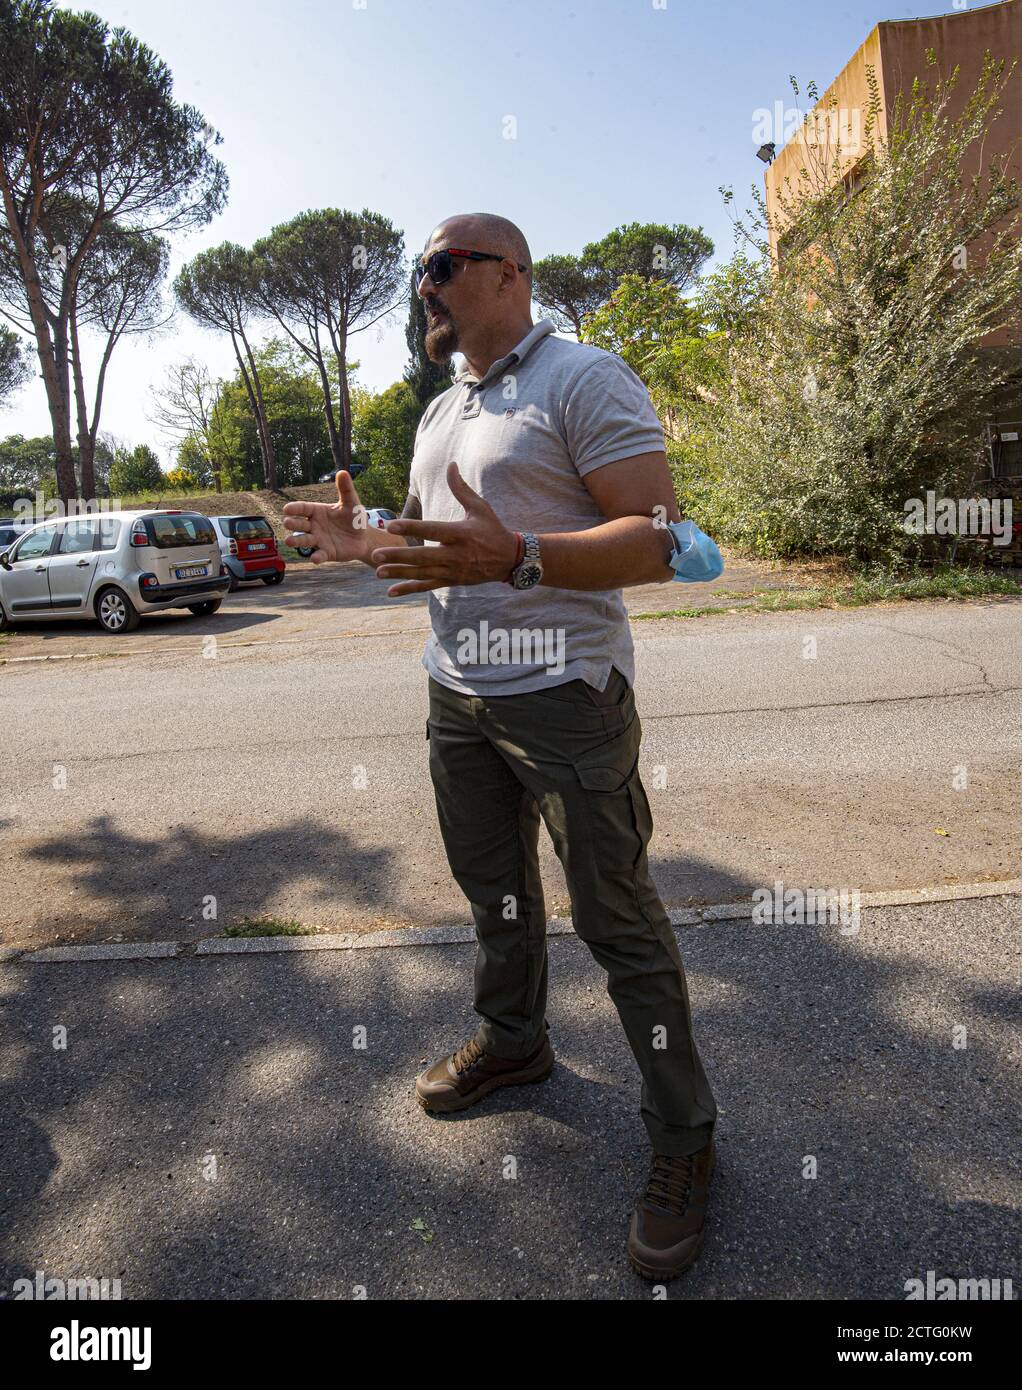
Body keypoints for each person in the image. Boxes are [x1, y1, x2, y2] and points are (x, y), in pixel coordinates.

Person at [283, 213, 718, 1281]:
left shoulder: (582, 377)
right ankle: (515, 1040)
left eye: (440, 267)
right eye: (419, 272)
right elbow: (442, 541)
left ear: (507, 276)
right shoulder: (442, 412)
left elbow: (666, 543)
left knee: (617, 919)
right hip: (456, 696)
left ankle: (683, 1137)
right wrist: (365, 541)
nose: (423, 286)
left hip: (566, 696)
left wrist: (522, 555)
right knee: (496, 898)